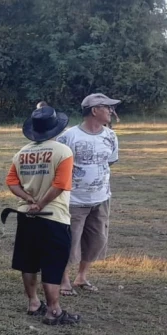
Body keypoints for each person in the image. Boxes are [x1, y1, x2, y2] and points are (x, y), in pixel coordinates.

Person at [6, 106, 81, 325]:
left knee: (28, 262)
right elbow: (60, 185)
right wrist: (41, 204)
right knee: (53, 263)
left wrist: (28, 199)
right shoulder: (63, 152)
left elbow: (11, 182)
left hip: (25, 215)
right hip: (53, 216)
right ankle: (54, 311)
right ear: (56, 128)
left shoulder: (22, 153)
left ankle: (33, 303)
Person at [57, 93, 120, 297]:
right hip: (74, 199)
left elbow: (110, 161)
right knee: (70, 241)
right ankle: (63, 279)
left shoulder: (110, 135)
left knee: (97, 239)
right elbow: (58, 165)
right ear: (94, 110)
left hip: (101, 198)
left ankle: (82, 277)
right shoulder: (68, 136)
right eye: (107, 107)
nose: (111, 111)